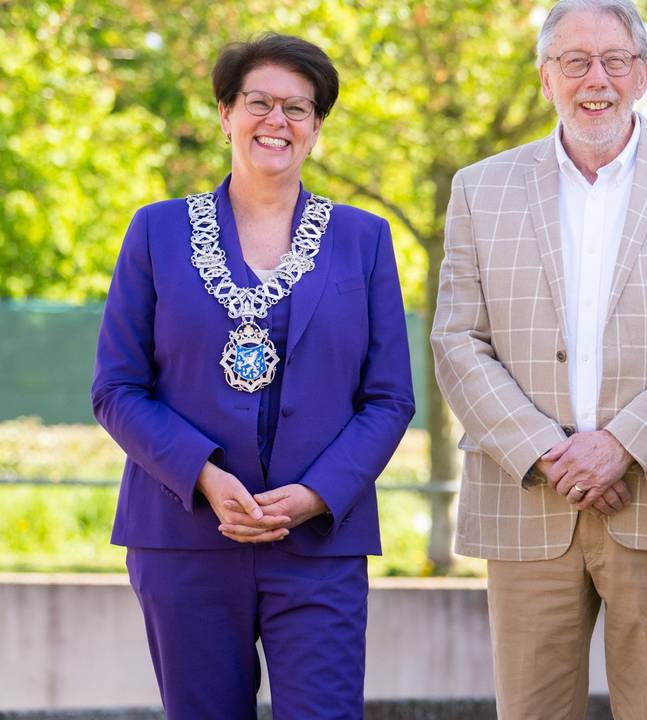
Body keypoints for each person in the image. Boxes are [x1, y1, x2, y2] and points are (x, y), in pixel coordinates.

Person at [430, 0, 647, 716]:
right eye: (574, 61)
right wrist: (550, 452)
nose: (595, 79)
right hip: (526, 500)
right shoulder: (479, 188)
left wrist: (623, 446)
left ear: (642, 75)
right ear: (547, 77)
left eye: (614, 60)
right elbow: (457, 341)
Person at [91, 33, 415, 719]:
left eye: (297, 108)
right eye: (259, 103)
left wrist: (317, 494)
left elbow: (389, 399)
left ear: (317, 126)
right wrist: (203, 476)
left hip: (318, 542)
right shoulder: (156, 232)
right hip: (183, 536)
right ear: (225, 114)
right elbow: (117, 388)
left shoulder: (365, 239)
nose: (278, 122)